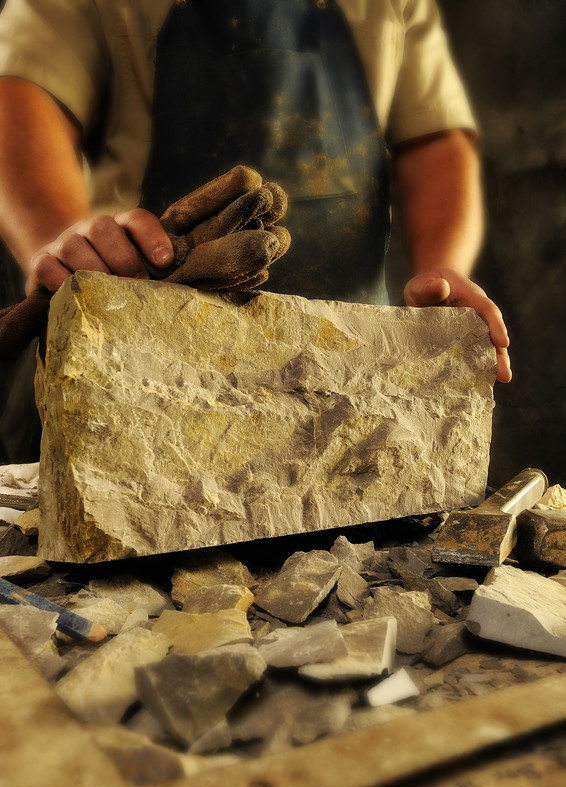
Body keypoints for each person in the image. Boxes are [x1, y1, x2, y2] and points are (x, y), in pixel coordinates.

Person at [0, 0, 511, 459]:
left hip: (348, 380)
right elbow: (23, 93)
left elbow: (434, 139)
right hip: (136, 364)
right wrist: (72, 243)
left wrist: (444, 270)